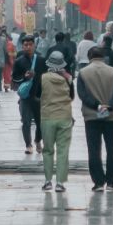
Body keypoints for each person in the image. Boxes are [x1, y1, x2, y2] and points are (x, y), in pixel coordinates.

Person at [75, 42, 113, 191]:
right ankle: (111, 180)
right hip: (111, 116)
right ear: (103, 57)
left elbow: (82, 95)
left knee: (94, 149)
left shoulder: (83, 73)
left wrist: (97, 105)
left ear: (89, 57)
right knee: (111, 148)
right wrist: (108, 105)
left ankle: (98, 181)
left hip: (91, 117)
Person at [34, 49, 76, 193]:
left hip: (47, 118)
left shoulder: (43, 77)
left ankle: (47, 181)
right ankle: (60, 183)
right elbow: (72, 97)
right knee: (63, 150)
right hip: (64, 117)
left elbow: (38, 95)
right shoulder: (68, 78)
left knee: (48, 150)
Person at [10, 35, 42, 155]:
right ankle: (28, 145)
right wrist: (24, 77)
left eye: (30, 45)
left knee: (40, 122)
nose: (28, 47)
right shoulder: (19, 61)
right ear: (22, 46)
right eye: (25, 45)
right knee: (26, 121)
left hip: (39, 96)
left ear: (34, 45)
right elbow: (14, 79)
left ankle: (38, 140)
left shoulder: (40, 60)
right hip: (25, 97)